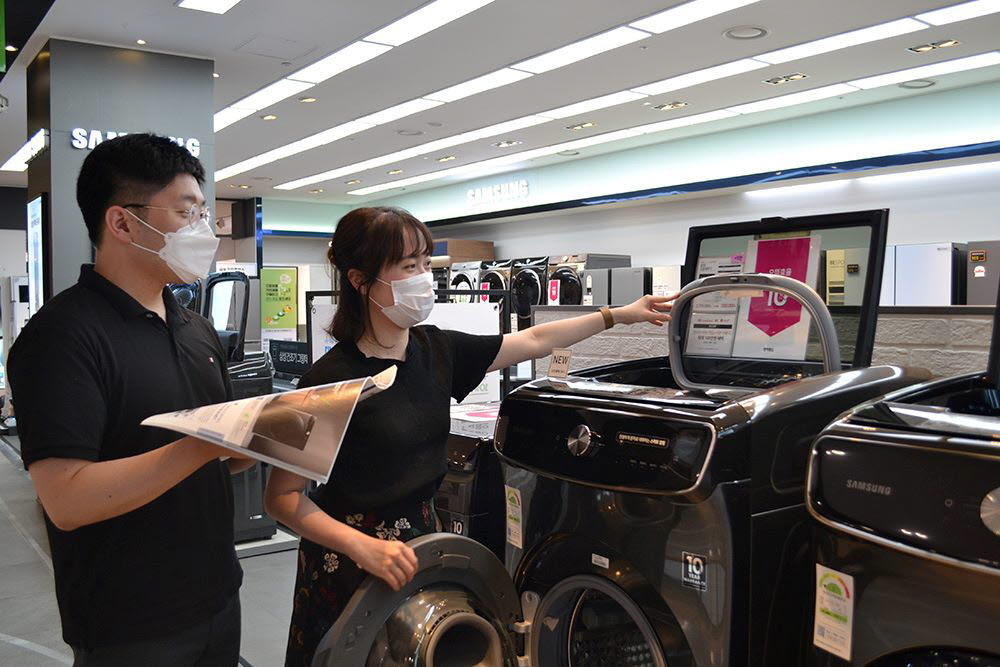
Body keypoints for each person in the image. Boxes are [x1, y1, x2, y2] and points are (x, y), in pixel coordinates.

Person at [265, 206, 674, 665]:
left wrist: (618, 315)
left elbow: (535, 341)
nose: (423, 278)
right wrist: (363, 546)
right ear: (360, 280)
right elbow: (282, 498)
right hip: (349, 561)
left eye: (425, 264)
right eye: (407, 266)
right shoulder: (330, 381)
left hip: (423, 549)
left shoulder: (435, 350)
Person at [7, 133, 253, 666]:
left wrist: (272, 436)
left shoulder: (196, 328)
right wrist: (207, 444)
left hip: (217, 595)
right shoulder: (62, 337)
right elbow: (67, 501)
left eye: (205, 213)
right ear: (122, 223)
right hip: (129, 623)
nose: (203, 231)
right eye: (187, 213)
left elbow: (223, 460)